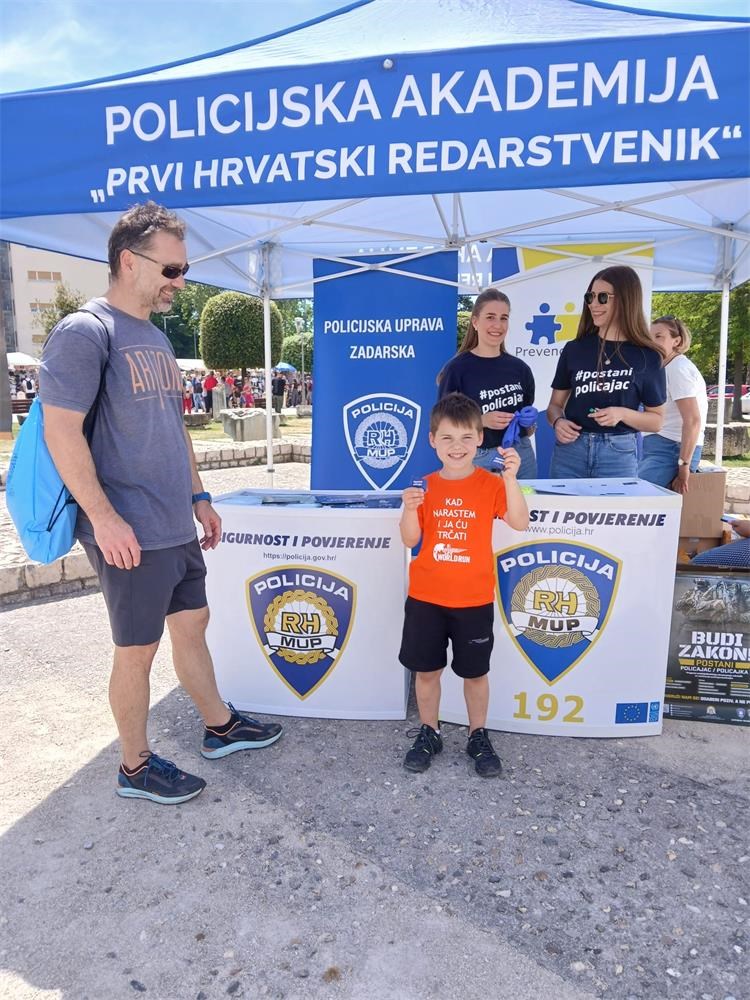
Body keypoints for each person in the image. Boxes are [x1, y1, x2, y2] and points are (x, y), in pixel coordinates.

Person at [39, 201, 282, 805]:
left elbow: (174, 430)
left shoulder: (153, 336)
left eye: (184, 269)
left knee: (193, 625)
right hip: (128, 530)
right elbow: (60, 431)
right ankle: (134, 765)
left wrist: (200, 497)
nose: (181, 281)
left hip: (173, 522)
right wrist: (103, 519)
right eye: (171, 270)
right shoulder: (84, 331)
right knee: (137, 649)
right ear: (129, 262)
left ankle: (219, 727)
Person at [398, 392, 529, 777]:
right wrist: (409, 509)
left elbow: (520, 522)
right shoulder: (423, 486)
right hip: (426, 598)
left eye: (466, 438)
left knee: (475, 673)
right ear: (432, 440)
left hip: (473, 599)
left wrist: (510, 479)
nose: (457, 446)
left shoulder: (490, 484)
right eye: (448, 438)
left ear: (480, 439)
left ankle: (477, 734)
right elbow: (409, 539)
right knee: (426, 671)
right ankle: (430, 731)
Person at [546, 265, 666, 478]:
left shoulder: (648, 356)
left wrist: (621, 414)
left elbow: (656, 421)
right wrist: (558, 422)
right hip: (571, 451)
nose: (593, 304)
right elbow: (554, 406)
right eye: (590, 296)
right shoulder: (574, 349)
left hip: (618, 454)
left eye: (602, 297)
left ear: (626, 300)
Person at [438, 288, 537, 478]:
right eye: (490, 317)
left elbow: (529, 426)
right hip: (478, 457)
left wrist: (529, 422)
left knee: (524, 499)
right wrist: (481, 421)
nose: (497, 325)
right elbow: (444, 422)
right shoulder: (457, 369)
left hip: (519, 454)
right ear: (475, 322)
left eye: (503, 318)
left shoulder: (520, 368)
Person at [638, 316, 708, 491]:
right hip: (662, 447)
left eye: (659, 336)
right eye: (649, 336)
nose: (652, 341)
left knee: (636, 498)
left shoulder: (678, 369)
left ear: (677, 341)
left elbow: (693, 420)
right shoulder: (666, 367)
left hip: (671, 449)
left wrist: (683, 465)